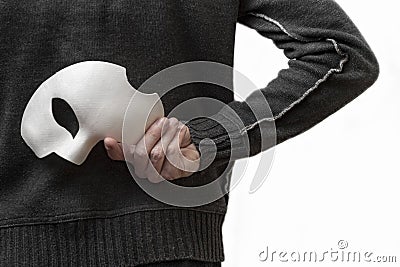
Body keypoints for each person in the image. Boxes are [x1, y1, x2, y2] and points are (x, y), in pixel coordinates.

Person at [0, 0, 378, 266]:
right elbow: (341, 54)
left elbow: (339, 54)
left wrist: (212, 137)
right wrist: (211, 138)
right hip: (172, 244)